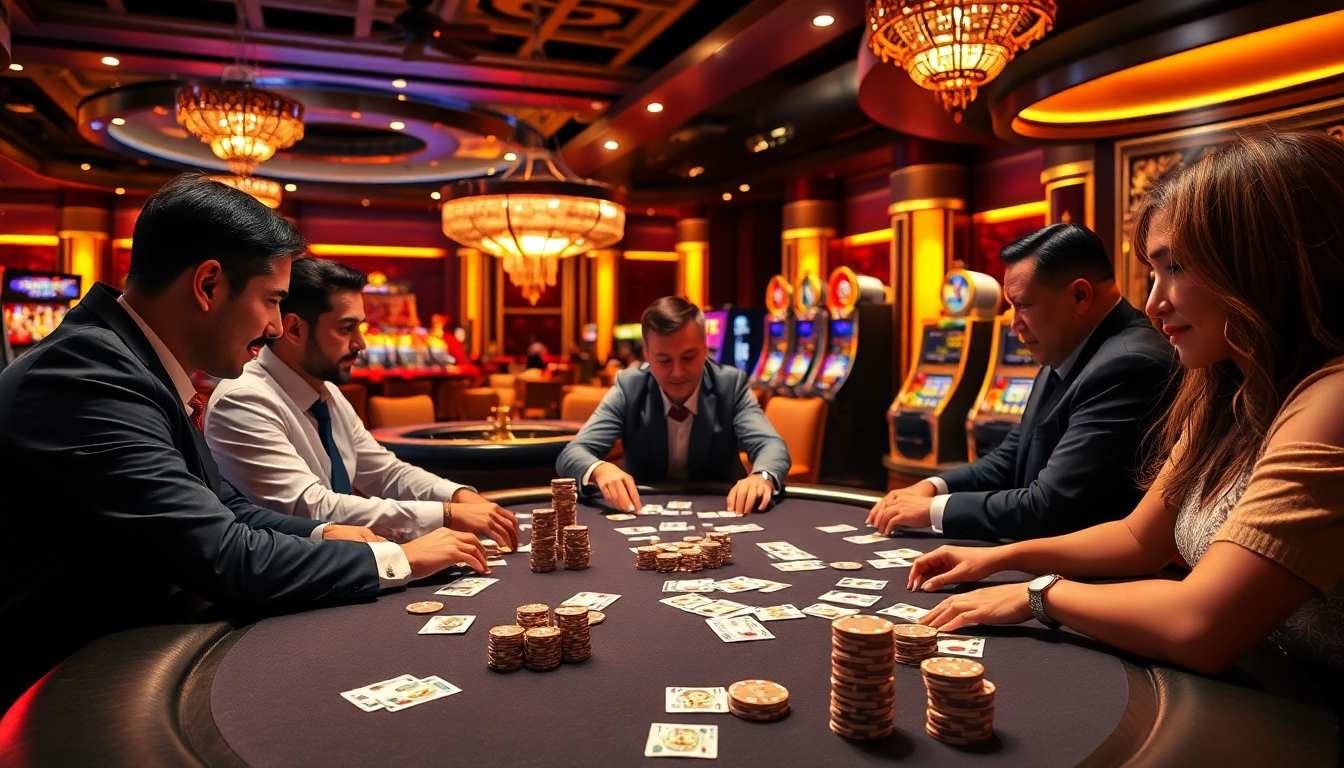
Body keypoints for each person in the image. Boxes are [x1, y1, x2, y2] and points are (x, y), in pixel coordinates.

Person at [0, 174, 488, 709]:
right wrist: (400, 559)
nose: (279, 327)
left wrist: (329, 535)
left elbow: (226, 508)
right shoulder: (87, 376)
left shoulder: (131, 364)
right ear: (208, 285)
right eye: (272, 301)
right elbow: (224, 555)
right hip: (57, 686)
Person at [906, 131, 1344, 685]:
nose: (1155, 303)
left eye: (1176, 268)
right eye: (1154, 273)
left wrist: (1040, 594)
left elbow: (1200, 625)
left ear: (1261, 262)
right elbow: (1139, 539)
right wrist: (997, 558)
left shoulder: (1333, 396)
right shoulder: (1226, 389)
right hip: (1259, 684)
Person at [868, 223, 1174, 541]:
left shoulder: (1127, 366)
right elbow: (1012, 456)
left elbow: (1050, 507)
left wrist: (935, 510)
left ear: (1080, 296)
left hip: (1099, 582)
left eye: (1023, 305)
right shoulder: (1068, 346)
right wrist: (933, 486)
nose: (1014, 325)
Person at [205, 258, 520, 548]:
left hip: (341, 562)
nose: (361, 344)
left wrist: (458, 495)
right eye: (346, 329)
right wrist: (447, 514)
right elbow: (311, 507)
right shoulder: (244, 400)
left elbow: (385, 473)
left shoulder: (324, 389)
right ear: (295, 329)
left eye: (360, 327)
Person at [556, 296, 791, 515]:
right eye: (664, 360)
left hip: (726, 511)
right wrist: (600, 469)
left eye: (688, 357)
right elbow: (572, 454)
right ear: (647, 354)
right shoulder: (629, 388)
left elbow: (770, 445)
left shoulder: (730, 386)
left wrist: (762, 476)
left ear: (705, 347)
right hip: (641, 514)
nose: (677, 372)